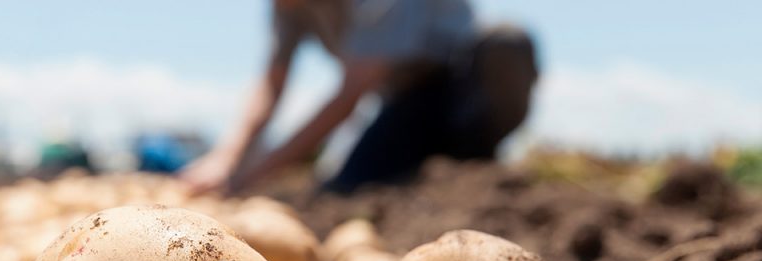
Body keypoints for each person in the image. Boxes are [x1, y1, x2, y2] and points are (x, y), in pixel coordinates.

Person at [180, 0, 538, 195]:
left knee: (506, 45)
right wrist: (226, 160)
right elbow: (272, 84)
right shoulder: (288, 7)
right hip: (404, 100)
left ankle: (477, 161)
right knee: (347, 186)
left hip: (460, 80)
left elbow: (349, 97)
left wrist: (252, 175)